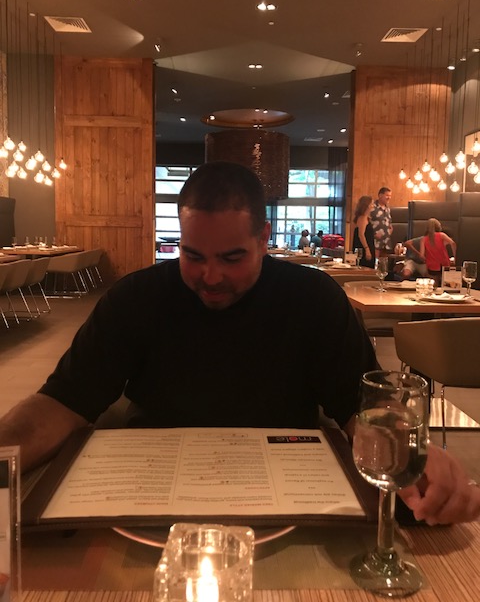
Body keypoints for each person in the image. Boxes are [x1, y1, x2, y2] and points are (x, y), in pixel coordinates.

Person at [0, 162, 478, 526]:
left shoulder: (312, 299)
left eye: (232, 258)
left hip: (291, 489)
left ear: (264, 238)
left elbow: (363, 410)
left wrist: (411, 448)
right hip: (150, 489)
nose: (210, 276)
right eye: (193, 255)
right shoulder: (135, 298)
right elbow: (61, 402)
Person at [420, 218, 456, 283]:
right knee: (445, 284)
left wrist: (428, 259)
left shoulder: (423, 239)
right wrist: (455, 256)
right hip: (444, 264)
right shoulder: (441, 235)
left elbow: (421, 256)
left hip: (432, 266)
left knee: (434, 285)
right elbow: (453, 243)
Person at [352, 195, 375, 268]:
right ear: (367, 205)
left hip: (369, 245)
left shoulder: (366, 218)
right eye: (371, 204)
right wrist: (367, 249)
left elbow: (367, 233)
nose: (373, 205)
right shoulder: (362, 218)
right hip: (364, 247)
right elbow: (361, 235)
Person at [370, 186, 393, 258]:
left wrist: (390, 229)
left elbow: (389, 222)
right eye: (387, 195)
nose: (389, 197)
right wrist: (373, 234)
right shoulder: (372, 207)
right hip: (375, 241)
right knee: (375, 262)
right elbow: (366, 223)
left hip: (386, 242)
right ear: (380, 195)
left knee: (384, 263)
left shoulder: (387, 209)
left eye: (390, 196)